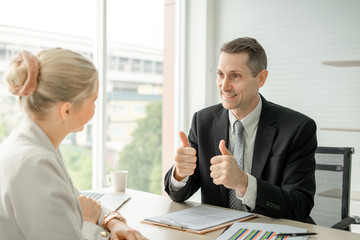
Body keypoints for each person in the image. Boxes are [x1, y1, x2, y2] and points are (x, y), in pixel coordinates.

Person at [164, 37, 317, 223]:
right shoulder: (202, 121)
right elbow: (178, 195)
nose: (224, 85)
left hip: (269, 231)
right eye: (220, 74)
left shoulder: (297, 129)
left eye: (235, 76)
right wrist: (180, 173)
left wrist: (243, 183)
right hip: (218, 232)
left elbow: (300, 206)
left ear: (261, 78)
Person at [0, 49, 147, 240]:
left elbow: (81, 202)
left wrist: (113, 221)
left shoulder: (36, 146)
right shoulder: (34, 164)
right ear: (66, 110)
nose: (95, 108)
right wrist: (90, 225)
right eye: (93, 101)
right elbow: (82, 215)